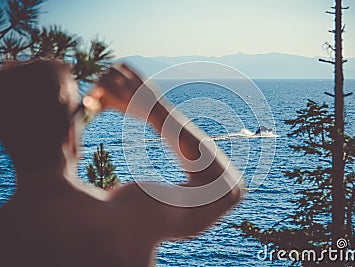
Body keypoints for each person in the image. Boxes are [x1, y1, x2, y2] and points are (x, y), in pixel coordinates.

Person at [0, 60, 245, 267]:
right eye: (81, 113)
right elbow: (225, 188)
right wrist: (156, 110)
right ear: (70, 135)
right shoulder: (128, 215)